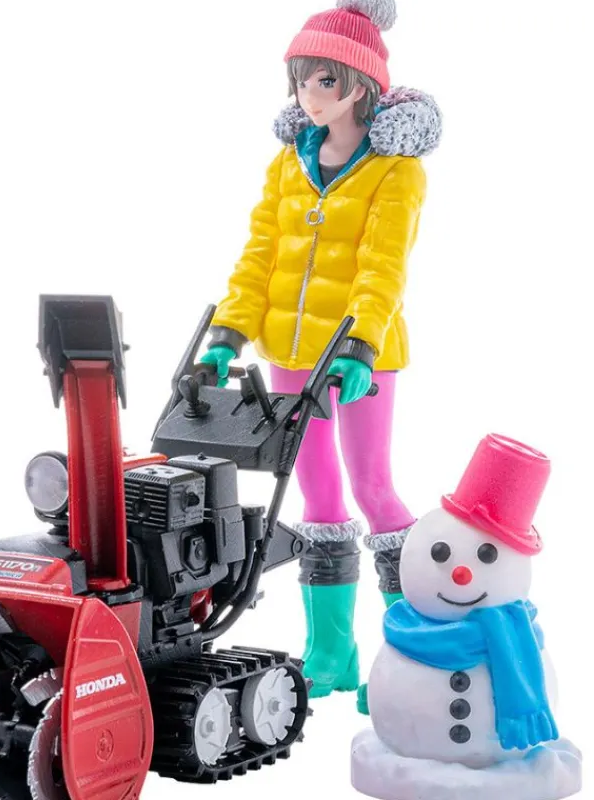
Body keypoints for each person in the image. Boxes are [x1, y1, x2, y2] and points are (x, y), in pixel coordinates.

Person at [201, 0, 442, 697]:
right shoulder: (290, 162)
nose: (309, 94)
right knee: (317, 493)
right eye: (302, 80)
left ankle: (412, 658)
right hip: (292, 353)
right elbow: (260, 255)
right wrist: (229, 332)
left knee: (373, 487)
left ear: (360, 85)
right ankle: (332, 651)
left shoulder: (395, 171)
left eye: (325, 81)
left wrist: (362, 344)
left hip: (362, 357)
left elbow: (383, 268)